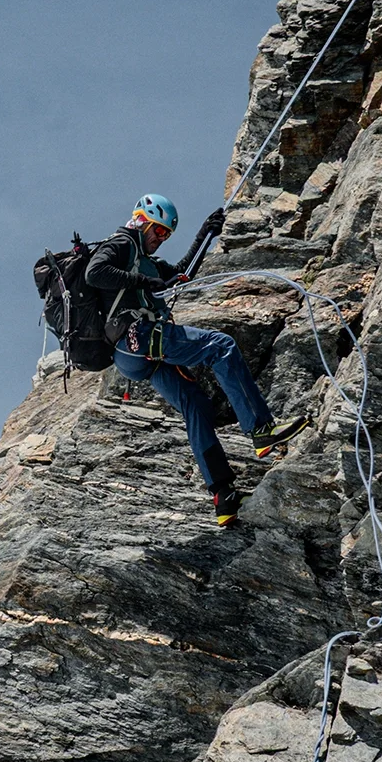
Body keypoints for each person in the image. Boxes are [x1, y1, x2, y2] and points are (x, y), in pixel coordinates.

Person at [86, 193, 289, 526]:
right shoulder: (122, 243)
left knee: (195, 403)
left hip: (133, 358)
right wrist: (140, 281)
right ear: (141, 221)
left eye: (166, 235)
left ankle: (224, 496)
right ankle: (261, 429)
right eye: (158, 231)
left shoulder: (145, 260)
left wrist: (204, 236)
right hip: (137, 337)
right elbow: (96, 272)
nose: (160, 239)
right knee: (220, 346)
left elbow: (181, 274)